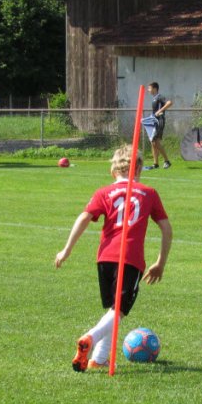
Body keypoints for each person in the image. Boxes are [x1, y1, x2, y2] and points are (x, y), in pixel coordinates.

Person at [55, 144, 173, 372]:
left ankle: (98, 361)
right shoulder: (149, 193)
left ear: (112, 172)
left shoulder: (103, 192)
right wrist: (161, 262)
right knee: (118, 310)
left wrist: (66, 249)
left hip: (104, 258)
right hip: (130, 258)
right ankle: (90, 337)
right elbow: (166, 229)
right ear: (138, 169)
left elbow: (84, 217)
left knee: (113, 311)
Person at [144, 81, 172, 170]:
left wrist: (160, 111)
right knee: (153, 143)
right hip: (154, 120)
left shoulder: (159, 96)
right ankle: (155, 164)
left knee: (155, 141)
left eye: (149, 88)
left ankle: (167, 161)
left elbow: (169, 103)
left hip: (160, 120)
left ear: (155, 88)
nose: (148, 90)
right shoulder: (154, 98)